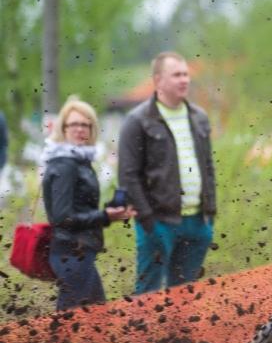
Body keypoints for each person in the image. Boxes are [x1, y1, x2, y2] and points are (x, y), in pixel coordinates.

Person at [118, 52, 217, 294]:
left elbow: (208, 167)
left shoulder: (199, 117)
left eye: (185, 74)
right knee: (148, 294)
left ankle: (179, 325)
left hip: (198, 221)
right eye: (176, 75)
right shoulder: (137, 120)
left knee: (184, 293)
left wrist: (210, 214)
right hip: (159, 222)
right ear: (158, 80)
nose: (184, 80)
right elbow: (128, 176)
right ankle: (144, 324)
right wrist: (148, 220)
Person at [42, 99, 135, 310]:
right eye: (74, 124)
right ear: (63, 128)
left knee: (94, 317)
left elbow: (81, 209)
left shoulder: (80, 162)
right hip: (70, 253)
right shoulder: (65, 165)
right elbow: (62, 217)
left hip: (79, 252)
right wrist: (105, 216)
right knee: (74, 322)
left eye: (85, 125)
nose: (80, 129)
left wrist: (111, 211)